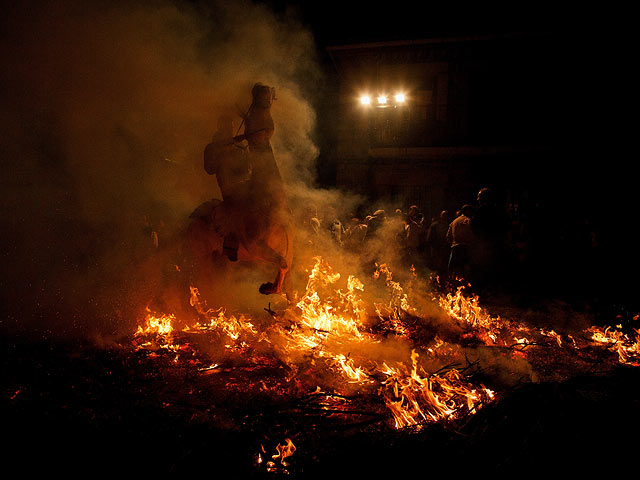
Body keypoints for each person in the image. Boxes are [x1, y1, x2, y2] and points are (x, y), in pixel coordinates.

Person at [203, 115, 251, 261]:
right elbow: (209, 168)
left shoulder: (239, 146)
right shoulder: (212, 147)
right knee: (234, 211)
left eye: (231, 126)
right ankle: (230, 246)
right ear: (220, 128)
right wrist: (223, 152)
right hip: (228, 187)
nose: (229, 129)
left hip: (245, 184)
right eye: (226, 126)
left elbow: (248, 168)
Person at [446, 204, 475, 282]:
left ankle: (452, 287)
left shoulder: (453, 222)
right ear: (467, 211)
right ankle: (465, 289)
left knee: (453, 270)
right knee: (465, 270)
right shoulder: (468, 220)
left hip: (455, 248)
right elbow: (473, 234)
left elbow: (448, 237)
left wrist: (453, 243)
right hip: (466, 248)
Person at [426, 209, 452, 279]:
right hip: (437, 250)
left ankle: (442, 283)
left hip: (444, 250)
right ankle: (436, 282)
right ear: (441, 216)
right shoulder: (435, 225)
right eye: (444, 215)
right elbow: (429, 239)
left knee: (442, 267)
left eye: (446, 216)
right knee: (437, 267)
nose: (445, 217)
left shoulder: (449, 226)